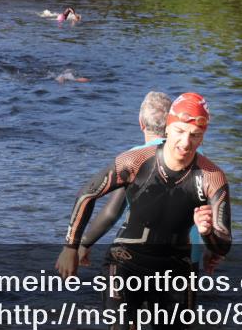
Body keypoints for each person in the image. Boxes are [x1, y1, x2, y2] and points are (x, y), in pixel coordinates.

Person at [56, 92, 231, 330]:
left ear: (203, 135)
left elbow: (224, 242)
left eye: (195, 135)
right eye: (179, 132)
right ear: (168, 128)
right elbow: (87, 194)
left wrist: (208, 234)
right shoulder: (136, 162)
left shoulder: (212, 177)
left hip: (176, 270)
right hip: (126, 262)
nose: (185, 142)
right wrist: (72, 246)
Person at [78, 92, 212, 272]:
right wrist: (213, 249)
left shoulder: (136, 158)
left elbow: (112, 212)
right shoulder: (196, 154)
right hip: (188, 254)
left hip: (141, 256)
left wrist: (83, 245)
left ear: (141, 123)